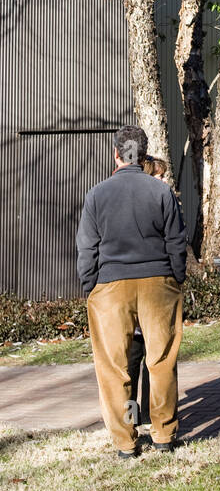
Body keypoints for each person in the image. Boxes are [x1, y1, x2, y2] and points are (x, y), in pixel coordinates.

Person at [76, 126, 186, 459]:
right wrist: (176, 278)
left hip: (110, 287)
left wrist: (90, 286)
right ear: (144, 154)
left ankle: (126, 441)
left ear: (116, 153)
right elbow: (176, 241)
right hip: (158, 282)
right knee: (161, 360)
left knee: (114, 367)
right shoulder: (161, 192)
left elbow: (87, 248)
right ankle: (164, 435)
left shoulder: (97, 194)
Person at [127, 155, 174, 430]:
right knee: (133, 364)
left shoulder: (164, 202)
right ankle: (133, 419)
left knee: (153, 363)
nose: (163, 180)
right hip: (140, 294)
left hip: (156, 293)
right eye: (159, 175)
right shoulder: (141, 208)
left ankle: (149, 417)